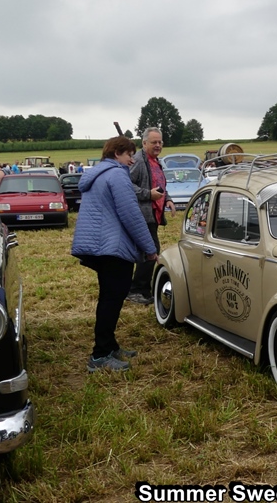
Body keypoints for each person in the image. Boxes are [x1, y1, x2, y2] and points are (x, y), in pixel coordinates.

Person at [71, 136, 158, 372]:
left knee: (109, 297)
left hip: (100, 247)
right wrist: (150, 248)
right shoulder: (118, 175)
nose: (132, 159)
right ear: (117, 153)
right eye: (129, 154)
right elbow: (131, 215)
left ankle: (109, 346)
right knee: (112, 300)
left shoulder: (98, 174)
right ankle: (99, 355)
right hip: (113, 248)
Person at [127, 127, 176, 304]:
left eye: (160, 142)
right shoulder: (139, 161)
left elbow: (160, 185)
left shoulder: (155, 161)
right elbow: (126, 185)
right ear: (144, 143)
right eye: (154, 142)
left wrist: (167, 199)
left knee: (148, 251)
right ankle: (136, 290)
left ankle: (143, 290)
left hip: (153, 215)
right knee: (151, 250)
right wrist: (148, 194)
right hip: (142, 215)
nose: (157, 145)